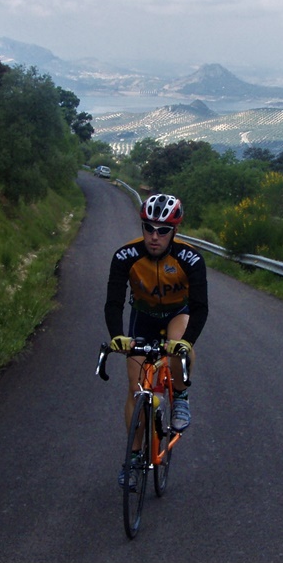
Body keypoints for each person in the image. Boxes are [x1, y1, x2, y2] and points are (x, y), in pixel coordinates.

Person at [105, 193, 208, 489]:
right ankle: (133, 459)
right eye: (148, 228)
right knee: (136, 390)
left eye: (163, 231)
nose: (154, 236)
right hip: (143, 316)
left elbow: (200, 307)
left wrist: (187, 342)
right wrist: (117, 337)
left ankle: (181, 396)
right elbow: (114, 302)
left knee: (179, 344)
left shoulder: (190, 258)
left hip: (177, 314)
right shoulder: (125, 256)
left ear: (174, 230)